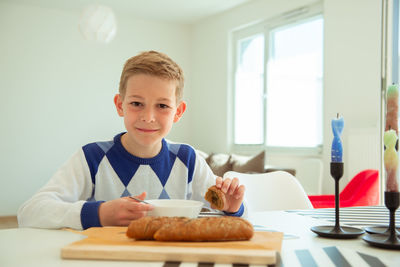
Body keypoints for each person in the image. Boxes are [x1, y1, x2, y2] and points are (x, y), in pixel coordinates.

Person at [18, 50, 246, 230]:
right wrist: (98, 213)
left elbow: (227, 219)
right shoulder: (92, 157)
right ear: (120, 105)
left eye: (163, 106)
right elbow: (29, 213)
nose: (148, 117)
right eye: (137, 103)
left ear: (178, 111)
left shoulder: (189, 159)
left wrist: (232, 209)